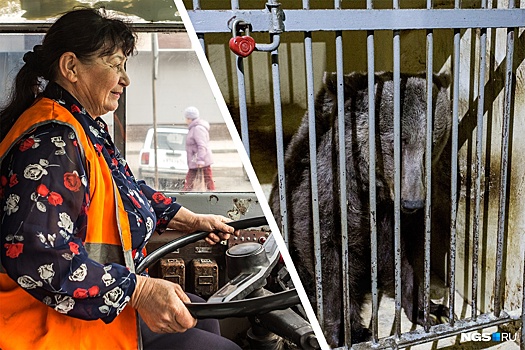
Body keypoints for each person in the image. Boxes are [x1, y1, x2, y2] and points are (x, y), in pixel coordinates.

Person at [0, 8, 241, 350]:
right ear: (71, 67)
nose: (125, 79)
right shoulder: (51, 142)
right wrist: (139, 290)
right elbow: (40, 256)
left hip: (87, 308)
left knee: (203, 313)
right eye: (114, 64)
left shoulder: (81, 126)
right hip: (46, 324)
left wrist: (192, 219)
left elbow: (121, 193)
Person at [182, 106, 215, 191]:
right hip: (196, 161)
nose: (185, 120)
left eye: (186, 118)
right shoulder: (194, 128)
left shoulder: (197, 129)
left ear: (190, 118)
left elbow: (202, 145)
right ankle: (185, 196)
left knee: (206, 182)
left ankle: (214, 197)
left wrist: (200, 160)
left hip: (200, 161)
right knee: (191, 182)